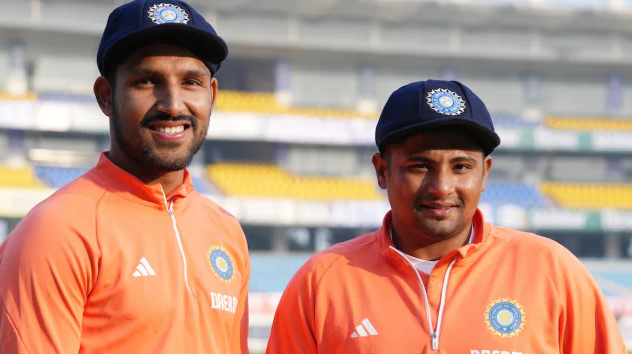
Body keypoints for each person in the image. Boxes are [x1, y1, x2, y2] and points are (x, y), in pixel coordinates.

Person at [265, 79, 626, 354]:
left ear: (484, 173)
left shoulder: (552, 271)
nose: (442, 186)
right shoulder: (320, 282)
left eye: (461, 166)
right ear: (381, 171)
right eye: (419, 166)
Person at [0, 1, 250, 353]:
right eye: (147, 81)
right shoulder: (57, 230)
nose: (173, 104)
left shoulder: (226, 232)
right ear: (106, 96)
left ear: (211, 95)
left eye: (191, 82)